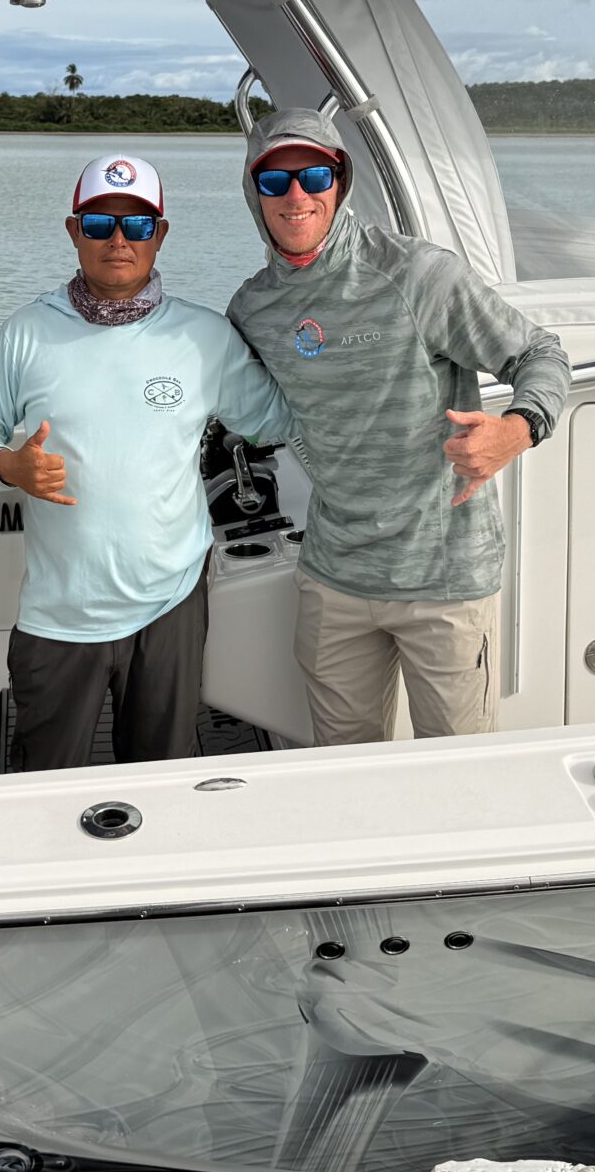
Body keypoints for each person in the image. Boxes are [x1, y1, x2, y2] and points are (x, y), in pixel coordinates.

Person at [227, 109, 570, 745]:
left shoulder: (418, 275)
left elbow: (540, 354)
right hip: (333, 575)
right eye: (276, 180)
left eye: (314, 176)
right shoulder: (251, 309)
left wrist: (515, 430)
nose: (296, 195)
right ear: (254, 192)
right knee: (344, 772)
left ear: (341, 182)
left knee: (460, 774)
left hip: (442, 579)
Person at [0, 154, 296, 770]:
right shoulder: (26, 332)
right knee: (42, 787)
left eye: (138, 225)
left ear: (160, 234)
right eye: (100, 224)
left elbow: (279, 419)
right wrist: (9, 468)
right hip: (58, 614)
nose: (119, 240)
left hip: (171, 603)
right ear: (73, 230)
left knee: (161, 780)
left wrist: (319, 333)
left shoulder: (204, 336)